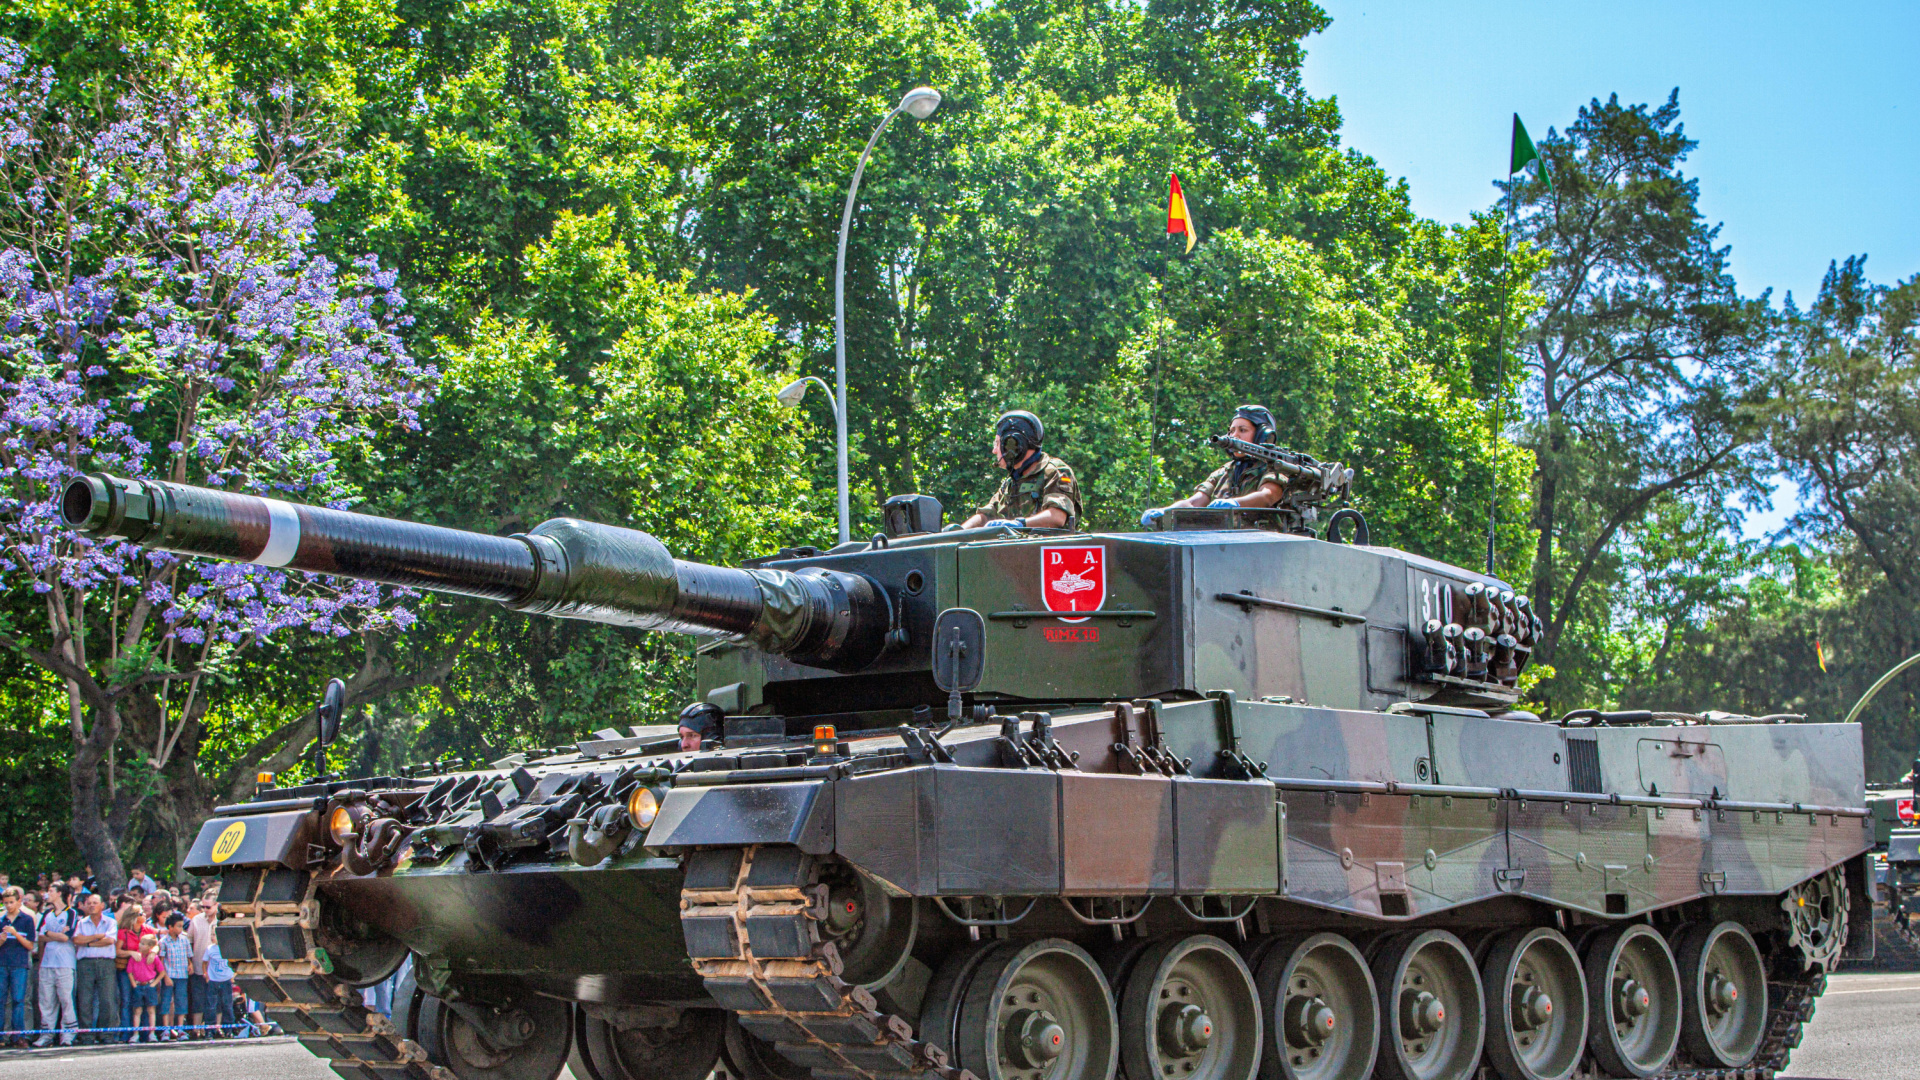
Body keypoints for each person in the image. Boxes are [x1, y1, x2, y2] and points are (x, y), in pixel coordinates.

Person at [1139, 405, 1287, 528]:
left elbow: (1267, 496)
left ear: (1261, 436)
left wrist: (1235, 503)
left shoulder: (1275, 467)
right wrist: (1166, 511)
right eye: (1231, 431)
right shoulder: (1224, 472)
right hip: (1221, 544)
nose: (1234, 436)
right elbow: (1195, 502)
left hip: (1263, 545)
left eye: (1242, 430)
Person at [959, 411, 1083, 530]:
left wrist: (1019, 524)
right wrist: (957, 531)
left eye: (997, 443)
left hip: (1049, 550)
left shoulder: (1055, 472)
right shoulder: (1011, 481)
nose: (994, 451)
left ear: (1013, 445)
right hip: (1017, 551)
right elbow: (987, 515)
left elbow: (1057, 517)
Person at [33, 885, 77, 1047]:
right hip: (47, 962)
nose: (47, 894)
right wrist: (56, 934)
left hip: (65, 963)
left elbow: (67, 937)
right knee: (46, 999)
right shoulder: (46, 913)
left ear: (59, 893)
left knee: (65, 998)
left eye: (51, 891)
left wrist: (50, 933)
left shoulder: (71, 913)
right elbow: (40, 935)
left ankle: (68, 1033)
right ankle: (47, 1034)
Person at [72, 893, 117, 1043]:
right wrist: (97, 936)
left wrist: (88, 943)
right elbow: (77, 939)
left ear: (102, 906)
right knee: (85, 1000)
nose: (91, 905)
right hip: (85, 963)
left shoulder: (110, 922)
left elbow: (110, 940)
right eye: (89, 903)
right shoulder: (81, 923)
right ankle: (86, 1035)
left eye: (95, 903)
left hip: (106, 963)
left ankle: (106, 1034)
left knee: (107, 1000)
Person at [0, 888, 33, 1047]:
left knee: (18, 1000)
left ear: (18, 902)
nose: (8, 905)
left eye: (11, 902)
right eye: (5, 903)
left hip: (19, 964)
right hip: (2, 963)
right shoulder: (1, 920)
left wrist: (15, 933)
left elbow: (30, 945)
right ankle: (1, 1036)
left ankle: (18, 1036)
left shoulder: (26, 920)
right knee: (1, 1000)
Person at [115, 900, 147, 1042]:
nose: (144, 915)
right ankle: (126, 1032)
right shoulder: (123, 932)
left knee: (143, 1001)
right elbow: (117, 951)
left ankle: (144, 1032)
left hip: (143, 971)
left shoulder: (147, 930)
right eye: (141, 913)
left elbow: (155, 945)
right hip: (126, 971)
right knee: (126, 1000)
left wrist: (152, 952)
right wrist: (131, 953)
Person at [157, 912, 192, 1040]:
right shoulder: (164, 941)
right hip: (169, 975)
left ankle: (181, 1029)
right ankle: (166, 1029)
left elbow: (189, 956)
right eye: (178, 926)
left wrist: (190, 965)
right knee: (166, 1001)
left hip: (182, 974)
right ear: (170, 927)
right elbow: (161, 961)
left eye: (182, 926)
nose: (180, 929)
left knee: (181, 1002)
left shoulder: (184, 940)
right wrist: (165, 976)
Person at [201, 914, 234, 1039]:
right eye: (211, 935)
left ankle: (228, 1029)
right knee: (211, 1005)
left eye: (215, 935)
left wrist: (232, 975)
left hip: (225, 980)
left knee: (227, 1005)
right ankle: (210, 1029)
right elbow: (205, 962)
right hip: (213, 980)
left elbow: (233, 961)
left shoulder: (227, 948)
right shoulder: (210, 949)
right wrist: (206, 974)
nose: (212, 937)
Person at [126, 934, 163, 1042]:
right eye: (140, 943)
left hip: (149, 985)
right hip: (138, 986)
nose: (140, 945)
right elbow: (129, 972)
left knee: (151, 1010)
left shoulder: (154, 958)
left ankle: (152, 1033)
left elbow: (161, 972)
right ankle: (136, 1034)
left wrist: (154, 984)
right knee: (137, 1010)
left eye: (143, 944)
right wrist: (134, 984)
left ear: (150, 947)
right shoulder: (135, 957)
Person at [186, 895, 214, 1038]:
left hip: (216, 970)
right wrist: (190, 961)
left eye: (208, 907)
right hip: (198, 966)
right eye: (203, 906)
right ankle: (196, 1030)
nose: (204, 909)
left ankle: (213, 1029)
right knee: (198, 999)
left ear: (216, 905)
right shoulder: (196, 920)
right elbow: (189, 941)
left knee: (215, 1000)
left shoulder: (221, 920)